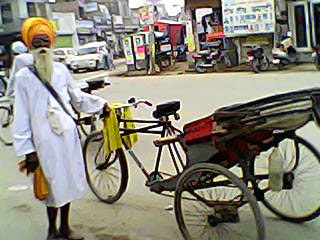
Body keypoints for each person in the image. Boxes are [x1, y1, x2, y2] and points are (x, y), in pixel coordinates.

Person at [13, 17, 110, 240]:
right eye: (37, 42)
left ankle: (65, 228)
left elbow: (76, 98)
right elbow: (21, 116)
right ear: (29, 45)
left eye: (45, 42)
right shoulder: (23, 77)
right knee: (52, 185)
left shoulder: (61, 71)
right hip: (43, 142)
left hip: (67, 137)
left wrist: (100, 106)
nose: (42, 47)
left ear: (52, 43)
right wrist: (28, 151)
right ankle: (51, 231)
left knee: (68, 181)